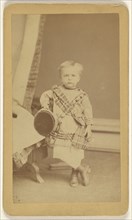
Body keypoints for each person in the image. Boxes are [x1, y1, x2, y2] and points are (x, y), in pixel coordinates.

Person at [40, 60, 93, 187]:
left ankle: (74, 174)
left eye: (73, 75)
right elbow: (44, 97)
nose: (69, 78)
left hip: (76, 128)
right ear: (61, 77)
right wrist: (47, 108)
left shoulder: (82, 95)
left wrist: (89, 126)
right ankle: (81, 169)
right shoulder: (55, 92)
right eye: (66, 75)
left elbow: (88, 110)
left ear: (79, 78)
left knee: (76, 152)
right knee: (60, 151)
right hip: (61, 128)